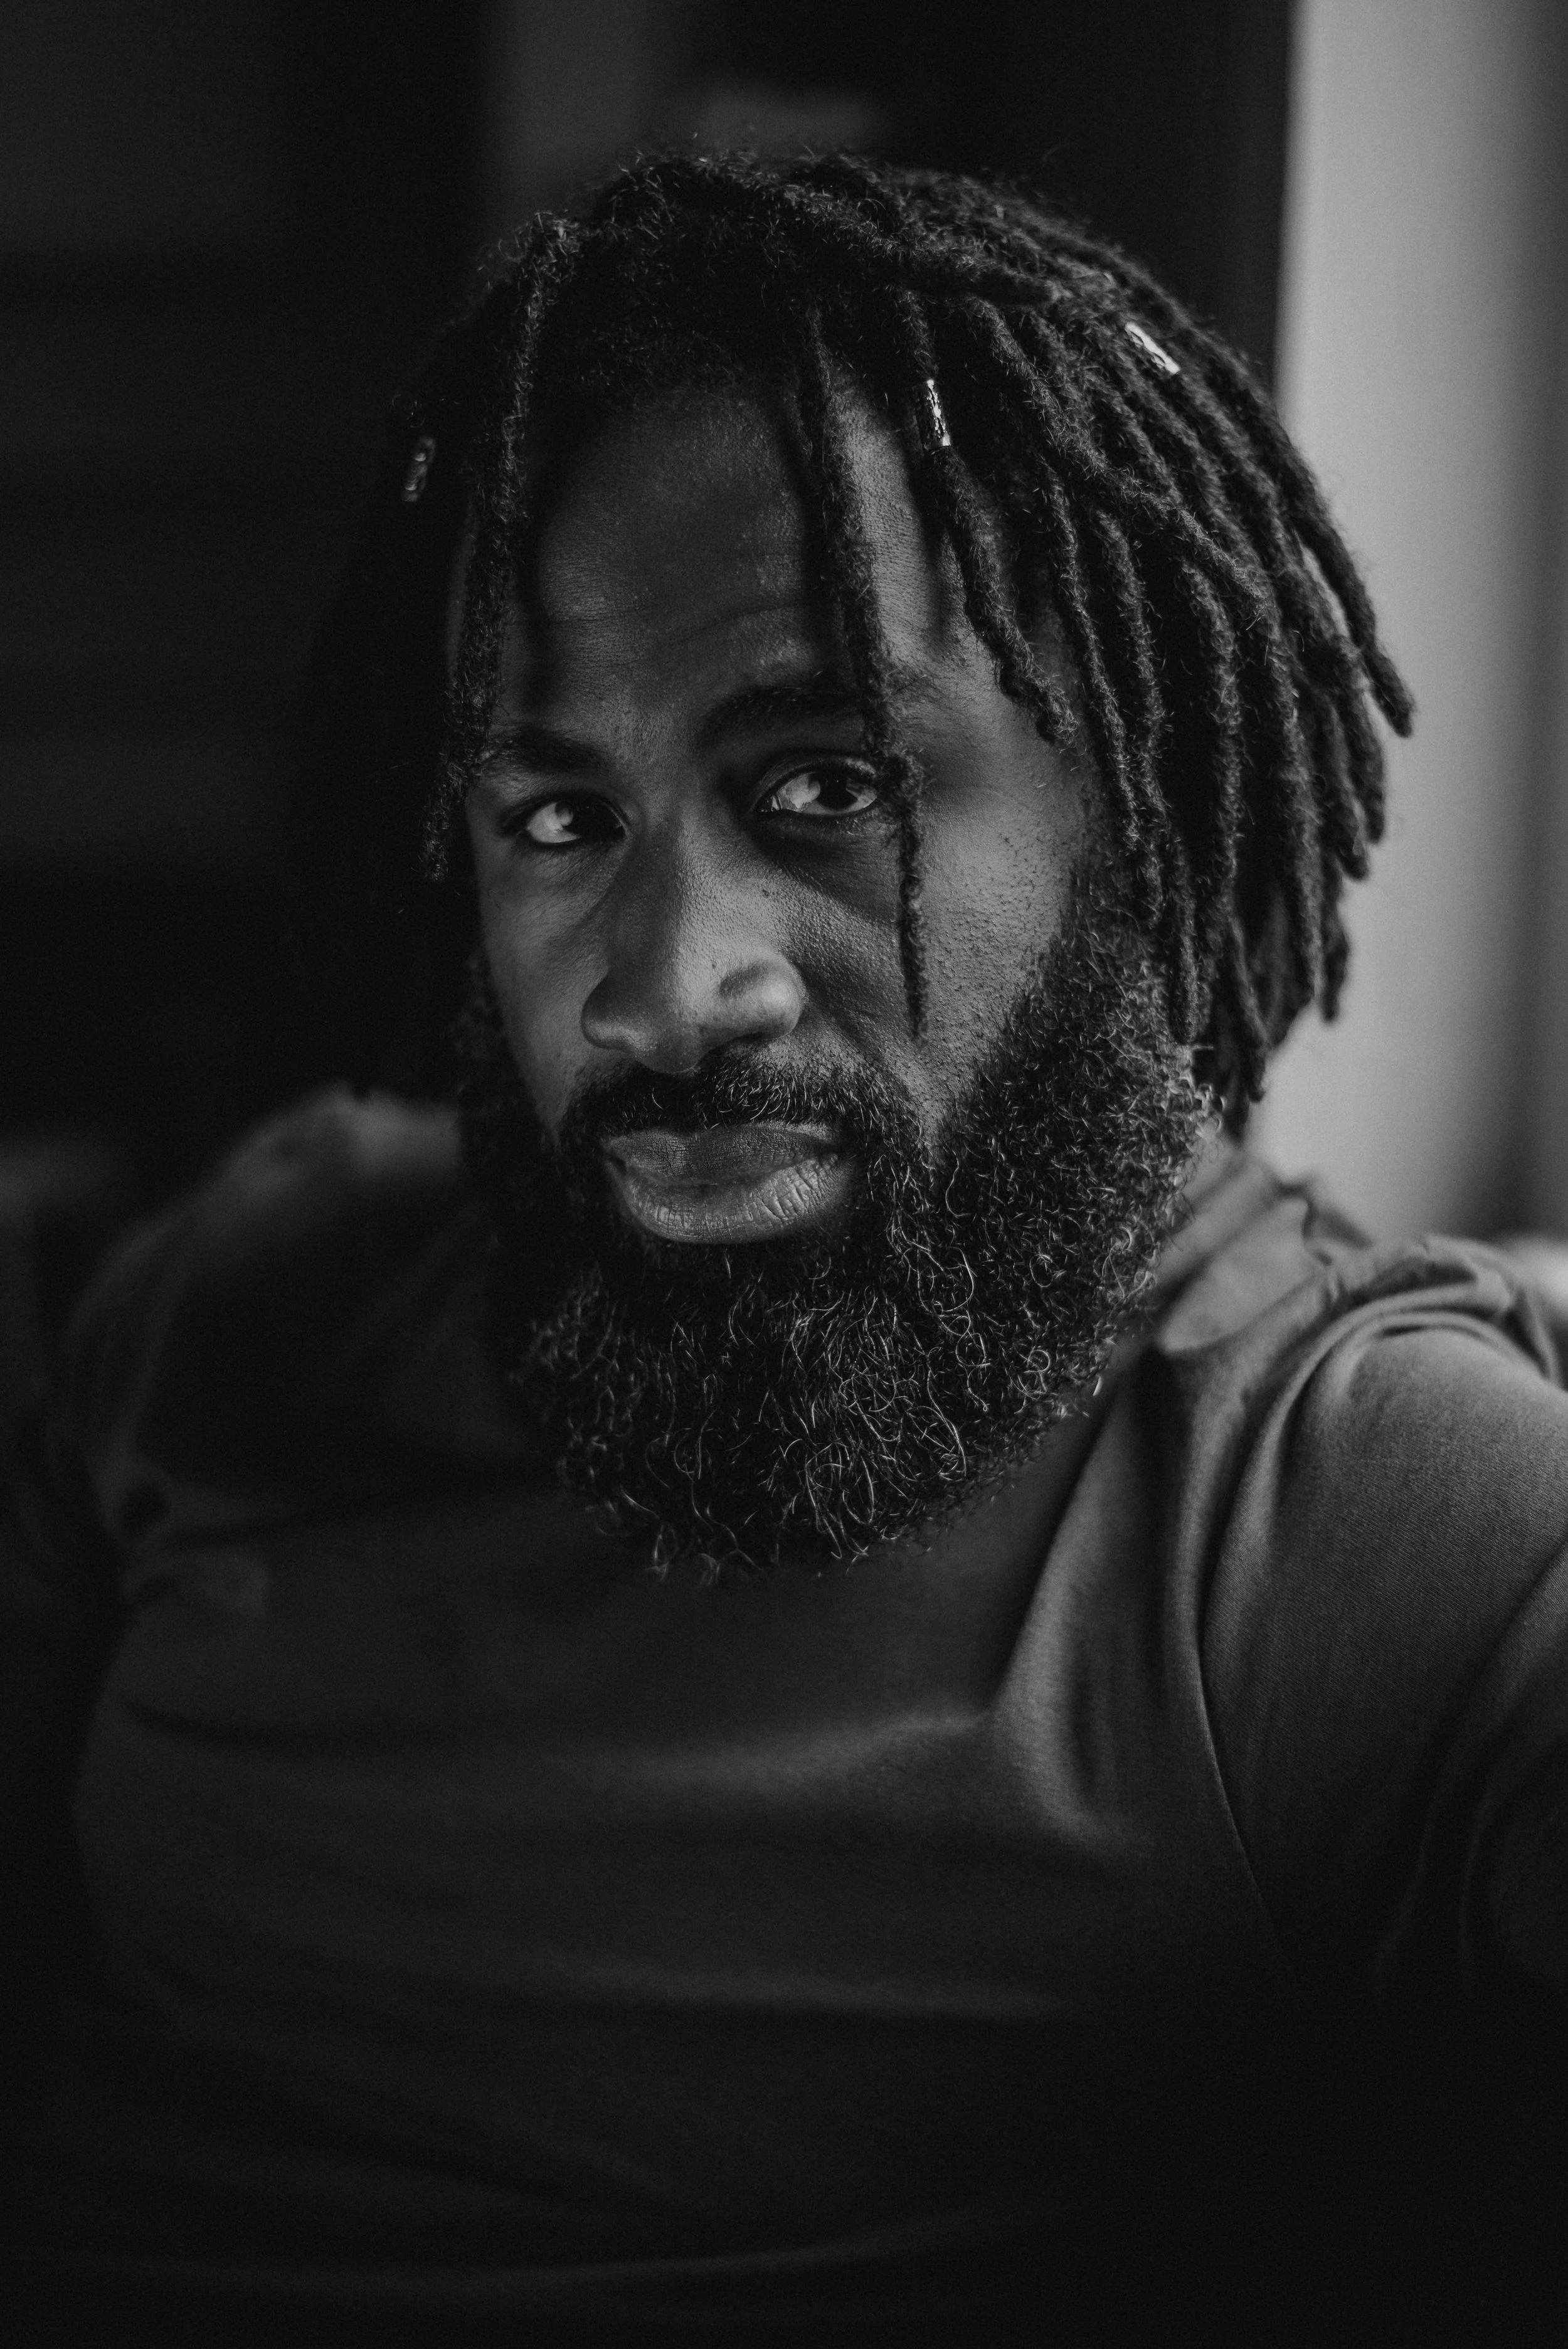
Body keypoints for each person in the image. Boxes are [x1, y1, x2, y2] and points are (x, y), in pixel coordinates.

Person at [3, 151, 1566, 2345]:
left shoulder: (1344, 1512)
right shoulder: (253, 1292)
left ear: (1137, 805)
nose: (664, 986)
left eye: (821, 781)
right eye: (560, 822)